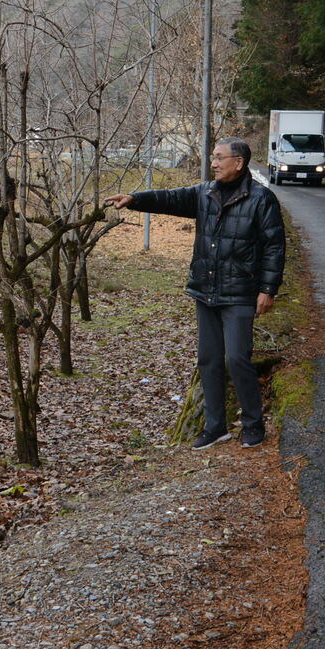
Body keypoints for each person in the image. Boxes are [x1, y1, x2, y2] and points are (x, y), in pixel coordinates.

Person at [104, 137, 285, 449]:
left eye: (219, 158)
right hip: (206, 290)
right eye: (212, 158)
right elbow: (170, 199)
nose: (213, 163)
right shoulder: (205, 192)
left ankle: (253, 424)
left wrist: (267, 289)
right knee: (209, 360)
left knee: (237, 359)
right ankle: (215, 427)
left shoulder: (261, 199)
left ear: (238, 162)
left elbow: (274, 247)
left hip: (240, 293)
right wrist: (134, 199)